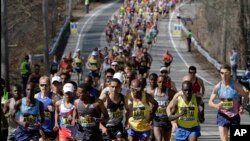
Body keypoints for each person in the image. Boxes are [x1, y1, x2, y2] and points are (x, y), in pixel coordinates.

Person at [208, 64, 248, 141]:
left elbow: (245, 96)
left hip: (234, 116)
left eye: (226, 73)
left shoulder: (236, 86)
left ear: (230, 73)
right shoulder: (217, 87)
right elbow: (210, 102)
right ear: (220, 74)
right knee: (224, 139)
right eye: (222, 73)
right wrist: (216, 106)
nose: (224, 76)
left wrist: (242, 106)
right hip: (222, 116)